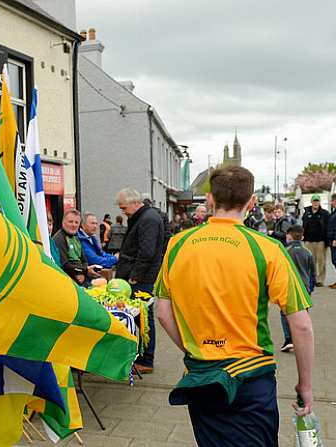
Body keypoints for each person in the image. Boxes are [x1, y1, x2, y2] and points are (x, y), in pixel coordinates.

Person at [155, 166, 314, 447]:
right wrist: (305, 385)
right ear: (252, 202)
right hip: (251, 377)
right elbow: (300, 324)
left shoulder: (177, 245)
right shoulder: (268, 248)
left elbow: (163, 314)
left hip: (202, 376)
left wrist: (197, 349)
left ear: (210, 200)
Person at [115, 188, 165, 373]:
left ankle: (146, 360)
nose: (123, 212)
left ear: (135, 203)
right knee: (139, 317)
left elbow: (147, 251)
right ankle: (142, 357)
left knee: (143, 318)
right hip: (139, 275)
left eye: (124, 208)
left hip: (140, 279)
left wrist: (135, 275)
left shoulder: (148, 219)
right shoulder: (146, 217)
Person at [281, 225, 315, 352]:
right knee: (303, 314)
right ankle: (302, 341)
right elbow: (312, 273)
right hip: (304, 287)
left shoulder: (285, 251)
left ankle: (289, 339)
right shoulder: (308, 252)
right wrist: (311, 289)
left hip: (289, 286)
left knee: (285, 313)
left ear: (289, 236)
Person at [52, 209, 101, 286]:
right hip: (66, 279)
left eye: (76, 222)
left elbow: (84, 261)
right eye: (70, 222)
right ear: (63, 222)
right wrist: (83, 271)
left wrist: (82, 272)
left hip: (80, 276)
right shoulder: (59, 238)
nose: (74, 225)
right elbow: (64, 265)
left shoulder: (76, 238)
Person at [302, 194, 330, 287]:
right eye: (314, 201)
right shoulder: (306, 212)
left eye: (317, 201)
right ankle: (311, 279)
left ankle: (320, 280)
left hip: (320, 242)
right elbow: (303, 225)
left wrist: (327, 241)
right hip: (308, 241)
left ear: (320, 202)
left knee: (321, 262)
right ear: (311, 202)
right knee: (310, 261)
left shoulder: (325, 213)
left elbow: (328, 227)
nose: (315, 203)